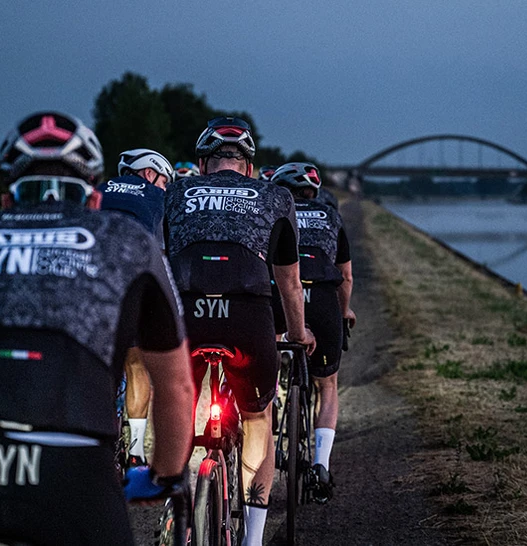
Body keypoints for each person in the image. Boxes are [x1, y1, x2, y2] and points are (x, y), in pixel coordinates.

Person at [0, 111, 194, 545]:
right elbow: (177, 388)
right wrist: (166, 476)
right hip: (72, 472)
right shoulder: (129, 241)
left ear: (6, 200)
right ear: (95, 201)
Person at [163, 116, 316, 546]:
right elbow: (288, 281)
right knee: (257, 419)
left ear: (201, 163)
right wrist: (299, 334)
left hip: (187, 317)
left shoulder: (176, 192)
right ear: (249, 167)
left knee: (177, 406)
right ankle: (251, 538)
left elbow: (160, 260)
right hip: (248, 319)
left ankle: (173, 511)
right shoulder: (276, 196)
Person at [269, 162, 355, 504]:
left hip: (280, 294)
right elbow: (345, 276)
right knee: (327, 384)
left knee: (271, 354)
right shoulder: (331, 216)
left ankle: (271, 403)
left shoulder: (273, 210)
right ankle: (321, 463)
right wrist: (343, 309)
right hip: (322, 298)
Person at [99, 148, 174, 468]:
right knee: (136, 365)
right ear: (149, 174)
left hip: (91, 289)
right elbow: (164, 250)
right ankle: (136, 451)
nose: (164, 187)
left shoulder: (97, 190)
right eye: (164, 180)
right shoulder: (157, 198)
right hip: (131, 287)